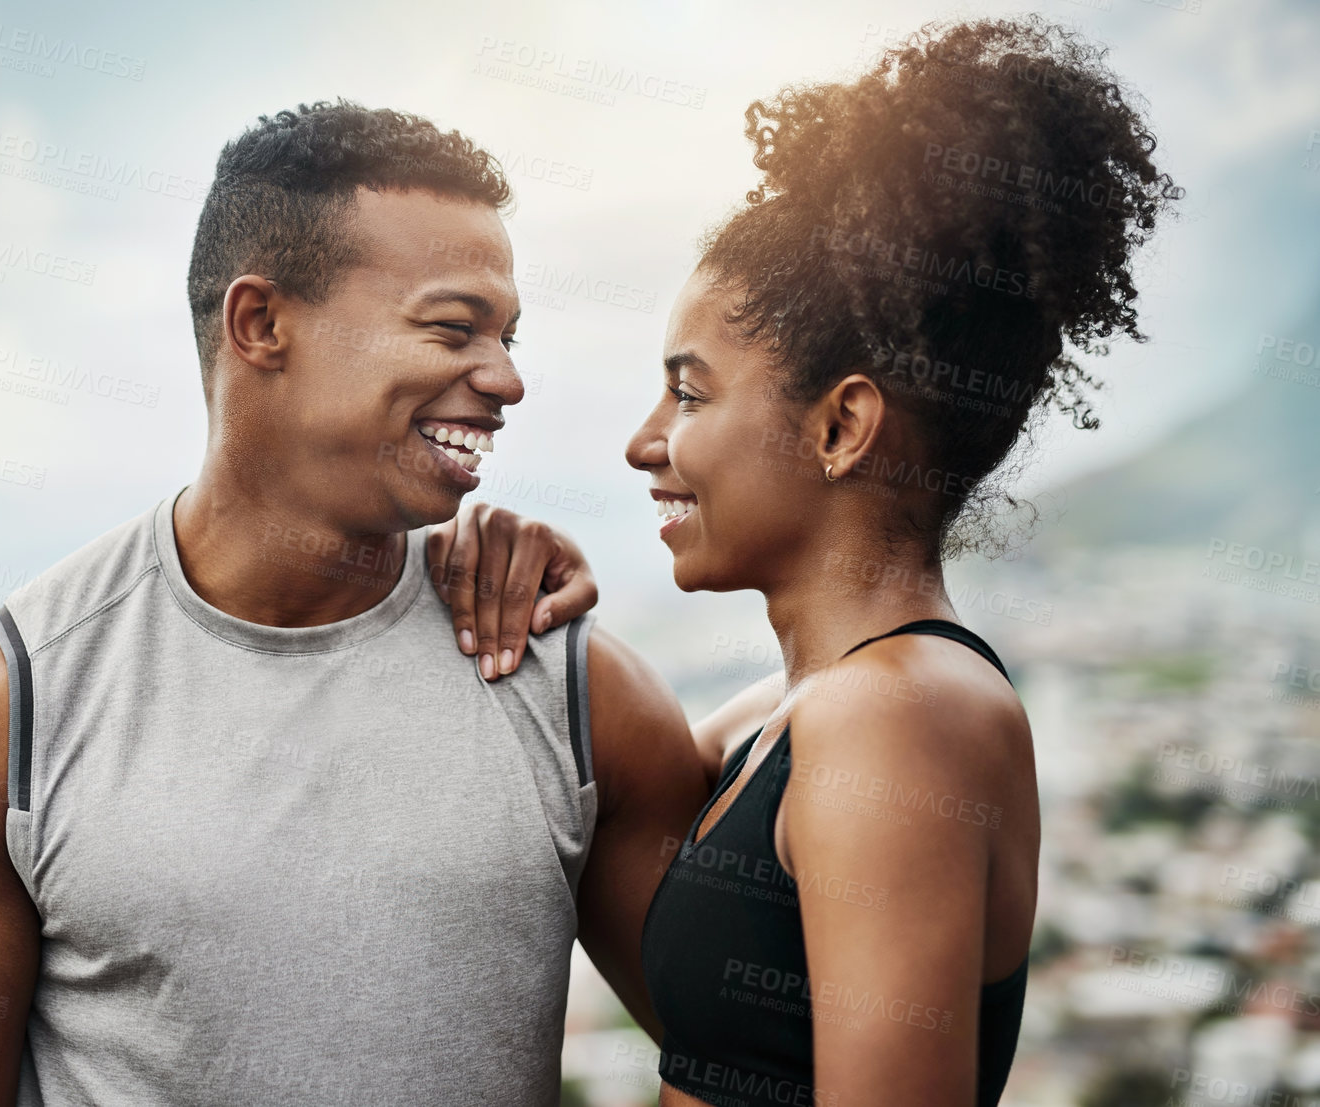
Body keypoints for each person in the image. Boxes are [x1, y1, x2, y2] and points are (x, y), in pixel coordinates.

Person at [0, 100, 711, 1106]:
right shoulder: (0, 715)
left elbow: (759, 1055)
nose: (508, 379)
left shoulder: (569, 680)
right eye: (452, 328)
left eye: (508, 336)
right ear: (261, 324)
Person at [434, 17, 1179, 1106]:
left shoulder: (898, 721)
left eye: (689, 393)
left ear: (841, 428)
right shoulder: (775, 720)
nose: (646, 442)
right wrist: (524, 571)